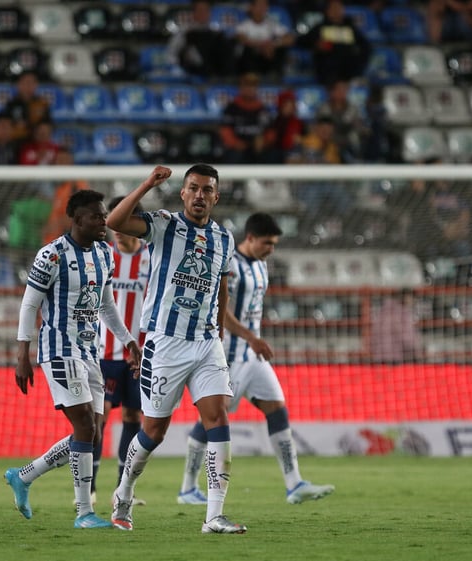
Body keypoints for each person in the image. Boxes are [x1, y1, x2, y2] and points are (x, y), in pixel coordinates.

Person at [106, 164, 246, 534]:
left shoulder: (224, 239)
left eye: (207, 190)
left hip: (204, 342)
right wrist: (148, 185)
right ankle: (123, 493)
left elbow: (222, 285)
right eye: (194, 188)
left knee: (218, 417)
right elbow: (115, 221)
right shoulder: (164, 224)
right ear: (183, 193)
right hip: (165, 343)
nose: (200, 195)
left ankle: (213, 515)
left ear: (217, 196)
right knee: (153, 430)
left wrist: (217, 324)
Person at [4, 190, 142, 529]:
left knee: (90, 434)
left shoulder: (105, 254)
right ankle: (84, 512)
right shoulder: (51, 255)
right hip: (58, 349)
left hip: (90, 351)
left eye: (104, 215)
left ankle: (23, 476)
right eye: (97, 216)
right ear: (77, 219)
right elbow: (29, 304)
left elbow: (106, 305)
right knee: (84, 425)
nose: (104, 222)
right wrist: (23, 352)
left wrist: (127, 341)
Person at [177, 212, 334, 506]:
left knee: (277, 410)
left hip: (254, 356)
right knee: (213, 418)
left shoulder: (262, 266)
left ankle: (294, 484)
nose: (271, 249)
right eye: (267, 243)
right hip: (230, 355)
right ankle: (187, 488)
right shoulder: (230, 265)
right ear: (250, 238)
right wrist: (251, 337)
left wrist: (254, 339)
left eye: (274, 244)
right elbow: (219, 310)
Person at [91, 197, 149, 507]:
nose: (116, 230)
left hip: (137, 356)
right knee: (97, 420)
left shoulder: (150, 259)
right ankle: (88, 490)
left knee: (132, 416)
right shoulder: (103, 256)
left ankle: (121, 489)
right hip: (103, 353)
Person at [369, 288, 424, 363]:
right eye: (413, 298)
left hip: (379, 356)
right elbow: (407, 338)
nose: (413, 302)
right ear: (406, 297)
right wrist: (417, 351)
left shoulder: (382, 311)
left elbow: (373, 335)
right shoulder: (403, 313)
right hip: (396, 357)